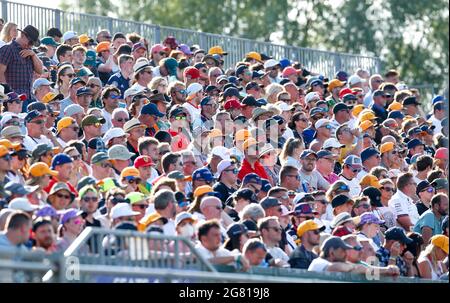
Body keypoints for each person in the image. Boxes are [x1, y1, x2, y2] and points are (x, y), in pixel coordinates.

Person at [0, 25, 43, 103]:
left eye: (32, 43)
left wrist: (33, 55)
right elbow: (0, 72)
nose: (30, 45)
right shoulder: (8, 49)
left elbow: (40, 71)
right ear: (22, 35)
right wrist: (7, 94)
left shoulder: (30, 51)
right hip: (14, 99)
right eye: (30, 42)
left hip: (29, 96)